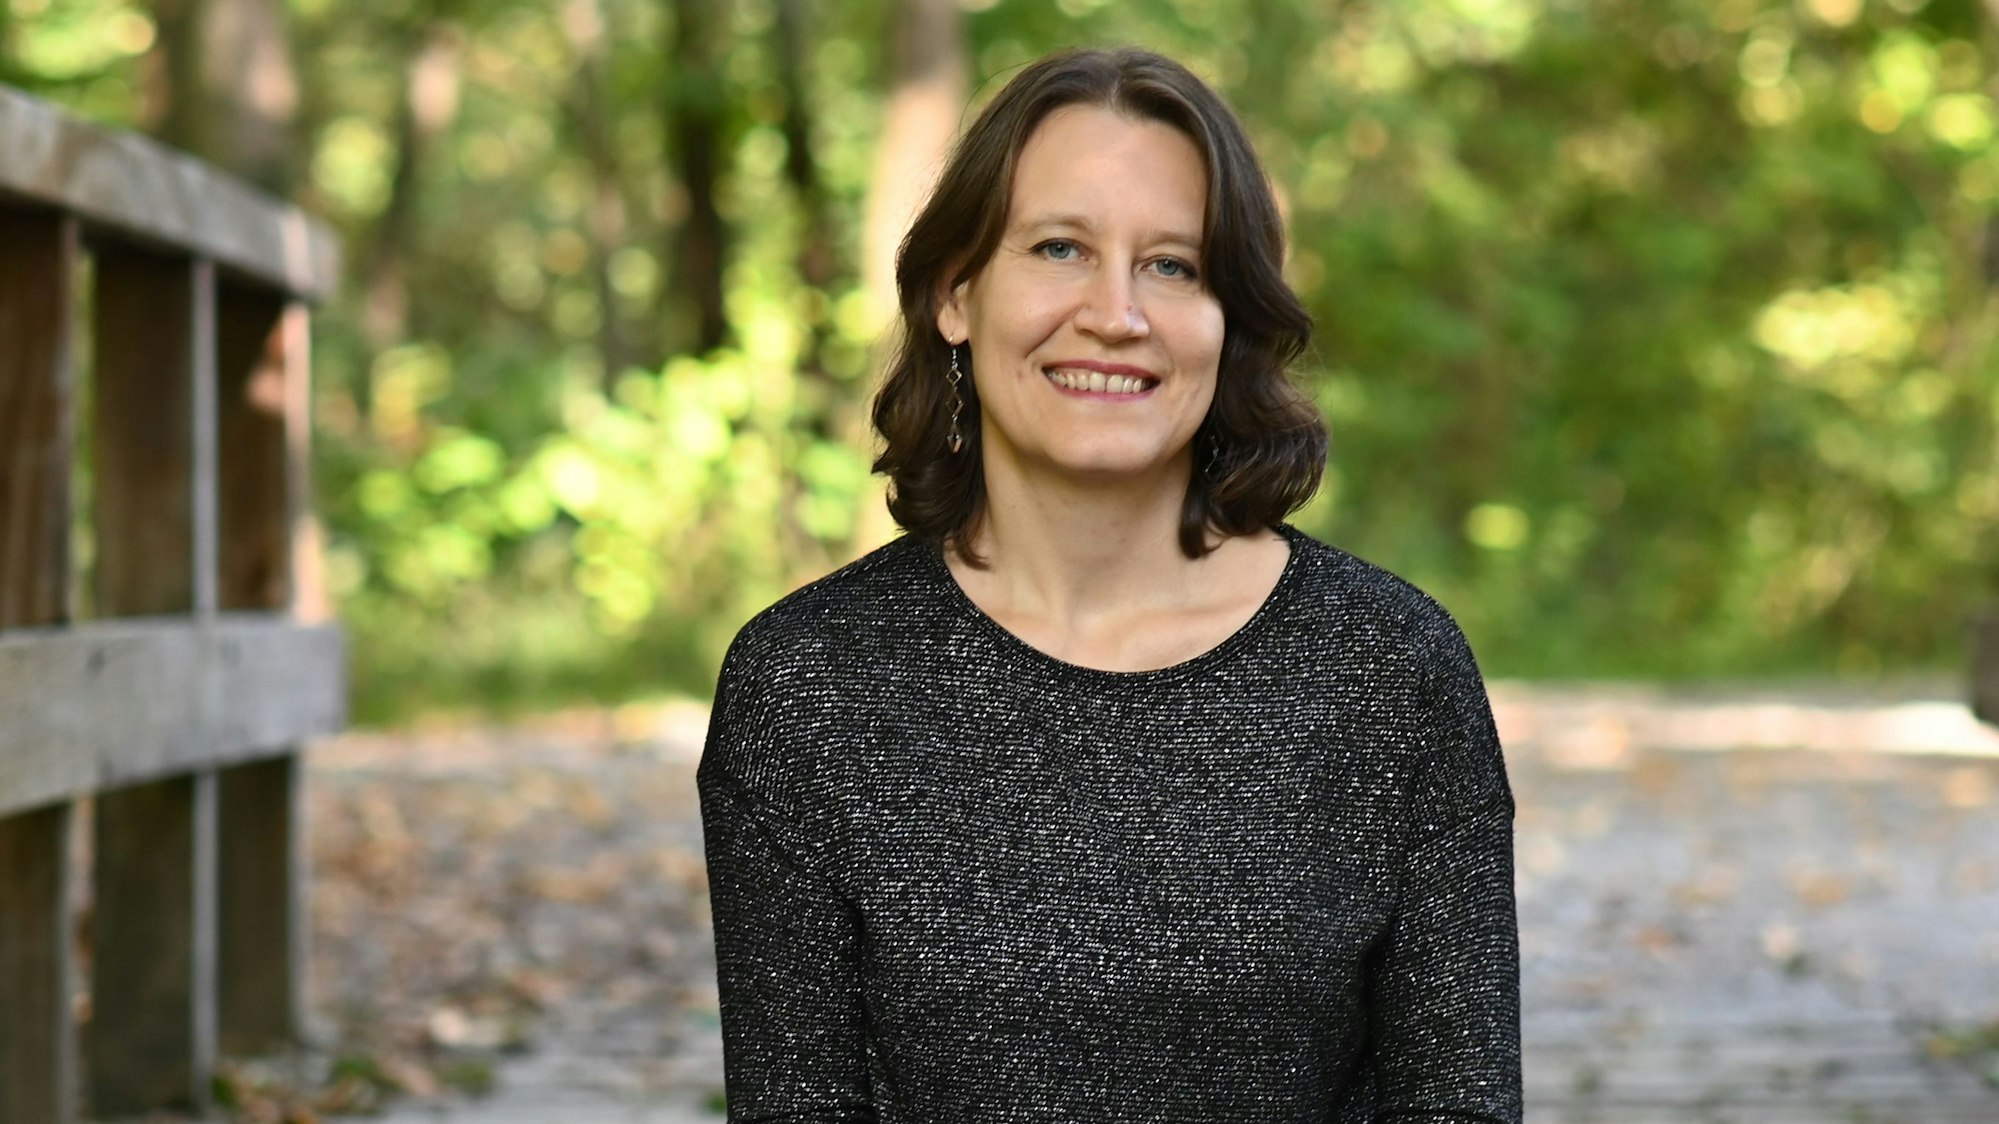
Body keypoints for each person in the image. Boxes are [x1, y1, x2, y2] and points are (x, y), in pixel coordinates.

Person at [697, 46, 1521, 1124]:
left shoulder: (1389, 669)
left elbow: (1457, 1104)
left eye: (1173, 265)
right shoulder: (807, 685)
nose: (1116, 313)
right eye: (1058, 248)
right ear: (955, 292)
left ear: (1228, 319)